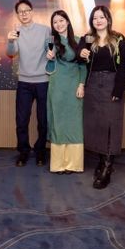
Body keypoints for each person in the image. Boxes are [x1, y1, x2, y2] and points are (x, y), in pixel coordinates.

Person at [78, 5, 125, 189]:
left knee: (111, 125)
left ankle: (107, 167)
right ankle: (102, 161)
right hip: (92, 85)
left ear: (108, 19)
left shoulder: (119, 39)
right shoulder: (86, 39)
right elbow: (79, 60)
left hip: (112, 84)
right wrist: (81, 54)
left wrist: (118, 89)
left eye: (101, 17)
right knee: (97, 124)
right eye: (95, 18)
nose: (98, 21)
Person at [6, 0, 53, 167]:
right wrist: (10, 41)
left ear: (32, 12)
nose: (24, 14)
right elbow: (11, 53)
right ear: (17, 15)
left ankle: (40, 151)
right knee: (21, 120)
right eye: (20, 12)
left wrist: (52, 53)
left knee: (43, 120)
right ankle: (23, 152)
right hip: (24, 82)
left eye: (26, 10)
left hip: (43, 81)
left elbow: (51, 49)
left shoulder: (45, 30)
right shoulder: (16, 32)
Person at [45, 10, 86, 174]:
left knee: (74, 123)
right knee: (58, 122)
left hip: (74, 86)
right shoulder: (51, 42)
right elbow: (49, 68)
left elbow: (83, 66)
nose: (58, 24)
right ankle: (59, 164)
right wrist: (50, 58)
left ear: (67, 22)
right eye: (55, 22)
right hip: (57, 86)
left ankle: (73, 164)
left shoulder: (79, 41)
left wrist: (81, 84)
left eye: (61, 20)